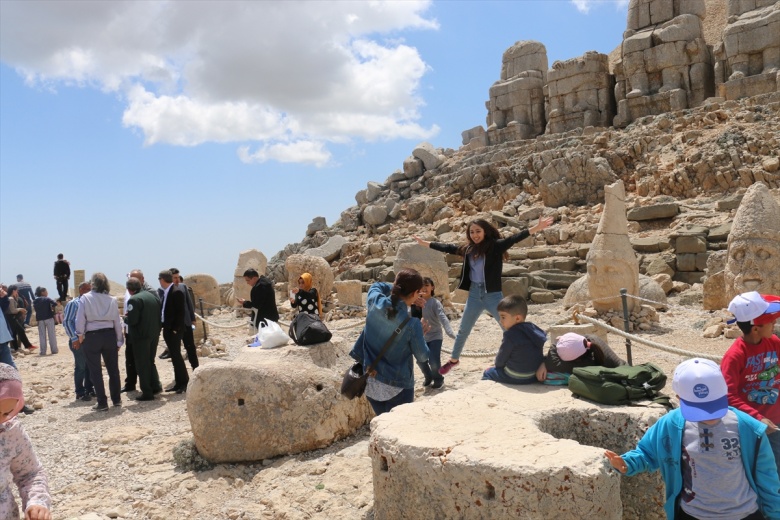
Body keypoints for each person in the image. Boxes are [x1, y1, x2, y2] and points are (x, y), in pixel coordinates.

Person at [605, 358, 780, 520]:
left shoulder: (748, 428)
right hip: (692, 514)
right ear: (679, 399)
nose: (709, 415)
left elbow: (767, 475)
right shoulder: (671, 424)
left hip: (743, 514)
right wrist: (628, 463)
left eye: (713, 405)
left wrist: (774, 513)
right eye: (699, 410)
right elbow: (647, 452)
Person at [414, 216, 553, 374]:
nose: (475, 235)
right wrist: (424, 243)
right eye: (472, 232)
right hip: (474, 294)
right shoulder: (468, 249)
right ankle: (454, 360)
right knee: (463, 330)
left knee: (509, 328)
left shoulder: (495, 246)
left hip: (492, 294)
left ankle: (526, 356)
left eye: (478, 231)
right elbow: (447, 247)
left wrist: (536, 227)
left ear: (485, 232)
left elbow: (514, 238)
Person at [349, 269, 430, 416]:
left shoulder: (374, 301)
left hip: (370, 383)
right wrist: (421, 336)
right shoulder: (413, 324)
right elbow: (423, 357)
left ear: (395, 286)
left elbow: (376, 286)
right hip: (398, 388)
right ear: (415, 293)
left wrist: (396, 287)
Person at [721, 291, 780, 475]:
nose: (774, 323)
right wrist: (758, 418)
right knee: (763, 472)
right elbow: (728, 395)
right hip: (754, 428)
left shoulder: (774, 342)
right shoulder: (734, 356)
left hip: (776, 422)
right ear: (756, 328)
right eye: (771, 321)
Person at [0, 364, 52, 520]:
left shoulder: (10, 430)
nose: (1, 419)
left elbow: (30, 474)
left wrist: (36, 502)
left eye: (7, 413)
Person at [75, 273, 124, 412]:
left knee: (95, 371)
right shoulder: (112, 299)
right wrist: (119, 340)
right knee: (113, 369)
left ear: (92, 284)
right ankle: (117, 399)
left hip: (92, 337)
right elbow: (117, 321)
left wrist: (79, 335)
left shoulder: (85, 298)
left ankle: (102, 402)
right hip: (109, 335)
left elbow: (80, 319)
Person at [481, 295, 546, 385]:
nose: (500, 321)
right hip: (532, 375)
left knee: (488, 372)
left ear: (517, 318)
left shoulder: (510, 335)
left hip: (516, 376)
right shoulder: (533, 329)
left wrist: (498, 367)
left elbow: (500, 361)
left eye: (503, 317)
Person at [121, 269, 161, 392]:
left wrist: (125, 318)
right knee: (150, 361)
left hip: (141, 336)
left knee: (142, 363)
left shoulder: (134, 299)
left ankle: (147, 391)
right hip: (153, 333)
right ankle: (155, 386)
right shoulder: (151, 295)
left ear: (129, 289)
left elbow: (132, 320)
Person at [535, 332, 627, 385]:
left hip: (622, 375)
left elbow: (553, 363)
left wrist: (544, 362)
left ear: (576, 360)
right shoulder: (589, 340)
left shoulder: (586, 363)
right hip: (624, 367)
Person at [415, 277, 455, 389]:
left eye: (426, 286)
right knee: (420, 360)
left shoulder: (435, 303)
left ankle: (438, 378)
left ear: (432, 287)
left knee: (433, 360)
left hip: (435, 336)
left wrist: (449, 331)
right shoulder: (416, 303)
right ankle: (428, 376)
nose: (424, 288)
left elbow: (443, 317)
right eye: (421, 287)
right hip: (422, 337)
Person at [63, 282, 94, 402]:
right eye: (86, 289)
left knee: (89, 366)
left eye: (90, 289)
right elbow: (67, 322)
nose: (88, 291)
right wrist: (74, 338)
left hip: (89, 339)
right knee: (81, 366)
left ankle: (89, 388)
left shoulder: (91, 303)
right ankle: (80, 392)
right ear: (80, 290)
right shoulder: (73, 303)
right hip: (78, 340)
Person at [159, 270, 189, 394]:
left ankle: (184, 383)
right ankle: (178, 383)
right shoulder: (166, 292)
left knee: (177, 357)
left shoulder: (176, 292)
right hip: (168, 329)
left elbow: (180, 313)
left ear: (162, 279)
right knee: (174, 358)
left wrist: (175, 330)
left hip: (174, 331)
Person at [170, 268, 199, 371]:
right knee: (175, 351)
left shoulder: (183, 287)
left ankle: (196, 369)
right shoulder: (166, 290)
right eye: (175, 278)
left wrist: (192, 318)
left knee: (190, 347)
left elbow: (189, 303)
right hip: (174, 325)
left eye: (178, 277)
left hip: (186, 323)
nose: (177, 280)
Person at [3, 285, 36, 351]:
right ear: (13, 291)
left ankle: (17, 348)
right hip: (11, 317)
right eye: (16, 290)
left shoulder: (12, 298)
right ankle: (27, 346)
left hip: (10, 317)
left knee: (15, 332)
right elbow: (12, 310)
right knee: (19, 331)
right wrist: (21, 309)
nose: (17, 292)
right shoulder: (11, 299)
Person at [32, 287, 58, 356]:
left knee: (42, 336)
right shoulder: (47, 299)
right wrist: (52, 308)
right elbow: (55, 303)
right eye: (46, 291)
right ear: (42, 292)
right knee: (51, 335)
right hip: (49, 317)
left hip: (40, 319)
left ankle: (43, 351)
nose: (47, 292)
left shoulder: (35, 300)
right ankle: (54, 350)